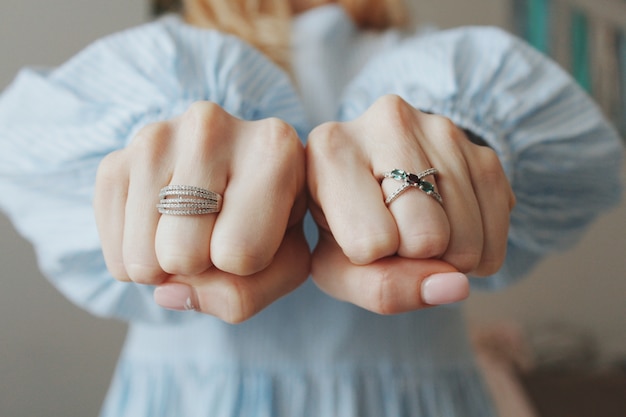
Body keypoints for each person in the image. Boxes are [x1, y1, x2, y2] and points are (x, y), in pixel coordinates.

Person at [0, 0, 623, 416]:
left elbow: (536, 169)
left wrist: (463, 150)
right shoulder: (136, 79)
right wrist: (154, 159)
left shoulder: (471, 78)